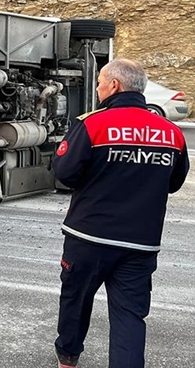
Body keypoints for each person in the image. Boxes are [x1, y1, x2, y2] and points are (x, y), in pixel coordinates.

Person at [52, 58, 189, 368]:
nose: (98, 88)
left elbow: (65, 173)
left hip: (89, 237)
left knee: (76, 300)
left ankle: (68, 358)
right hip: (140, 243)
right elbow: (174, 182)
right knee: (130, 315)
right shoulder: (171, 133)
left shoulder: (92, 123)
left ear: (114, 85)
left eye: (100, 82)